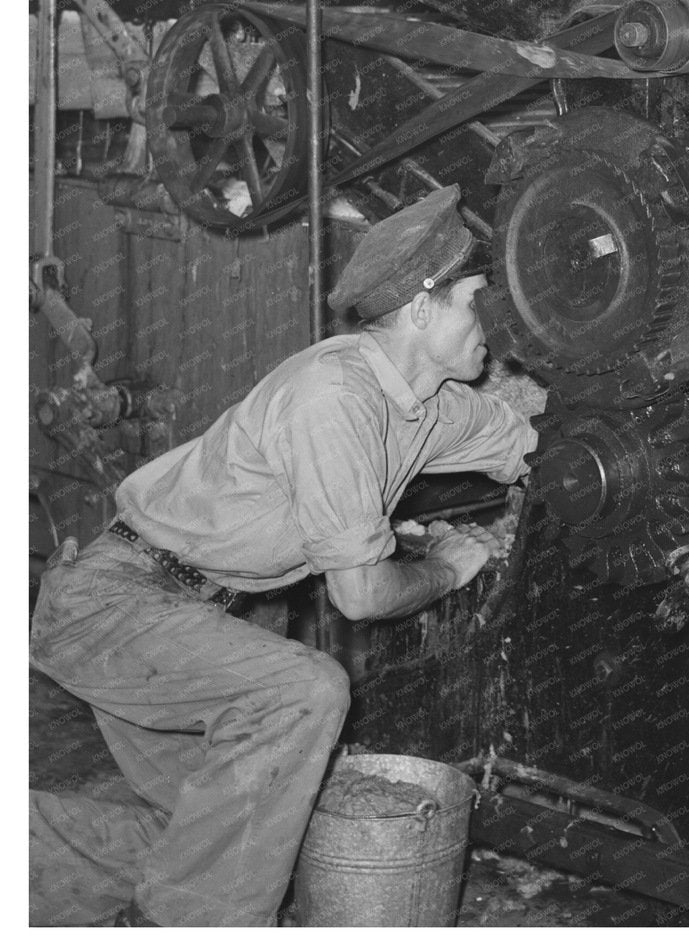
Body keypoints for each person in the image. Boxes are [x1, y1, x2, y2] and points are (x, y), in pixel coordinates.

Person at [29, 184, 537, 927]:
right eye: (475, 298)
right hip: (114, 606)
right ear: (424, 310)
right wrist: (447, 568)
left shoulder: (431, 405)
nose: (489, 319)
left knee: (220, 844)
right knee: (306, 691)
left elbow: (542, 451)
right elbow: (359, 595)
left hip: (192, 613)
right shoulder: (334, 394)